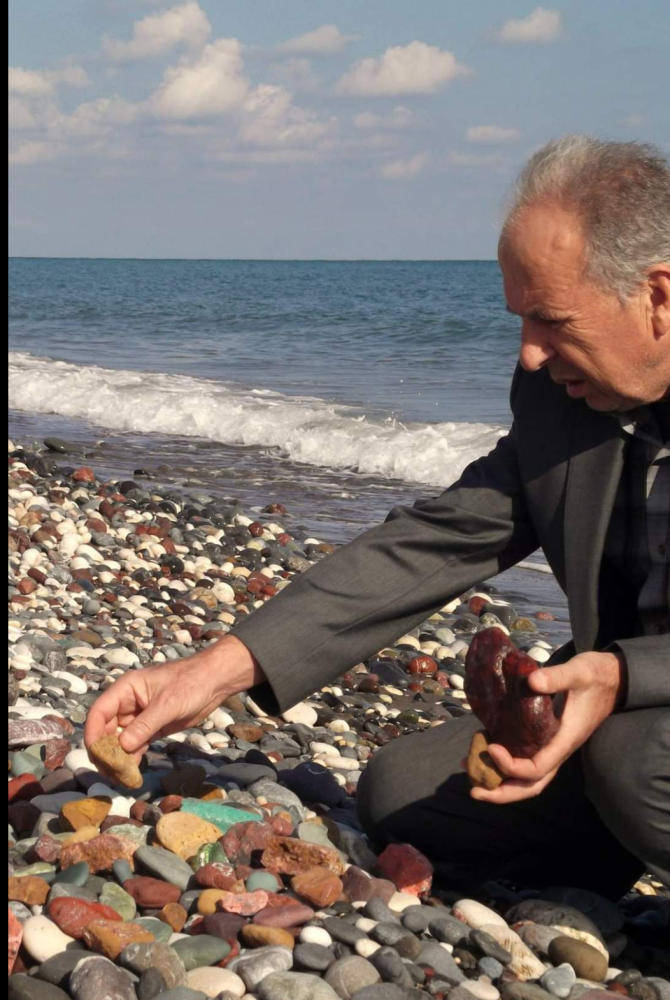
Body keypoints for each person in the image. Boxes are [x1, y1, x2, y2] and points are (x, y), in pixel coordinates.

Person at [85, 135, 670, 900]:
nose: (529, 354)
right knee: (407, 792)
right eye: (521, 320)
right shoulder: (558, 395)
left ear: (659, 297)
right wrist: (211, 672)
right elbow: (437, 540)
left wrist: (623, 677)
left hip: (639, 720)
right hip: (618, 707)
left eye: (550, 319)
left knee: (634, 762)